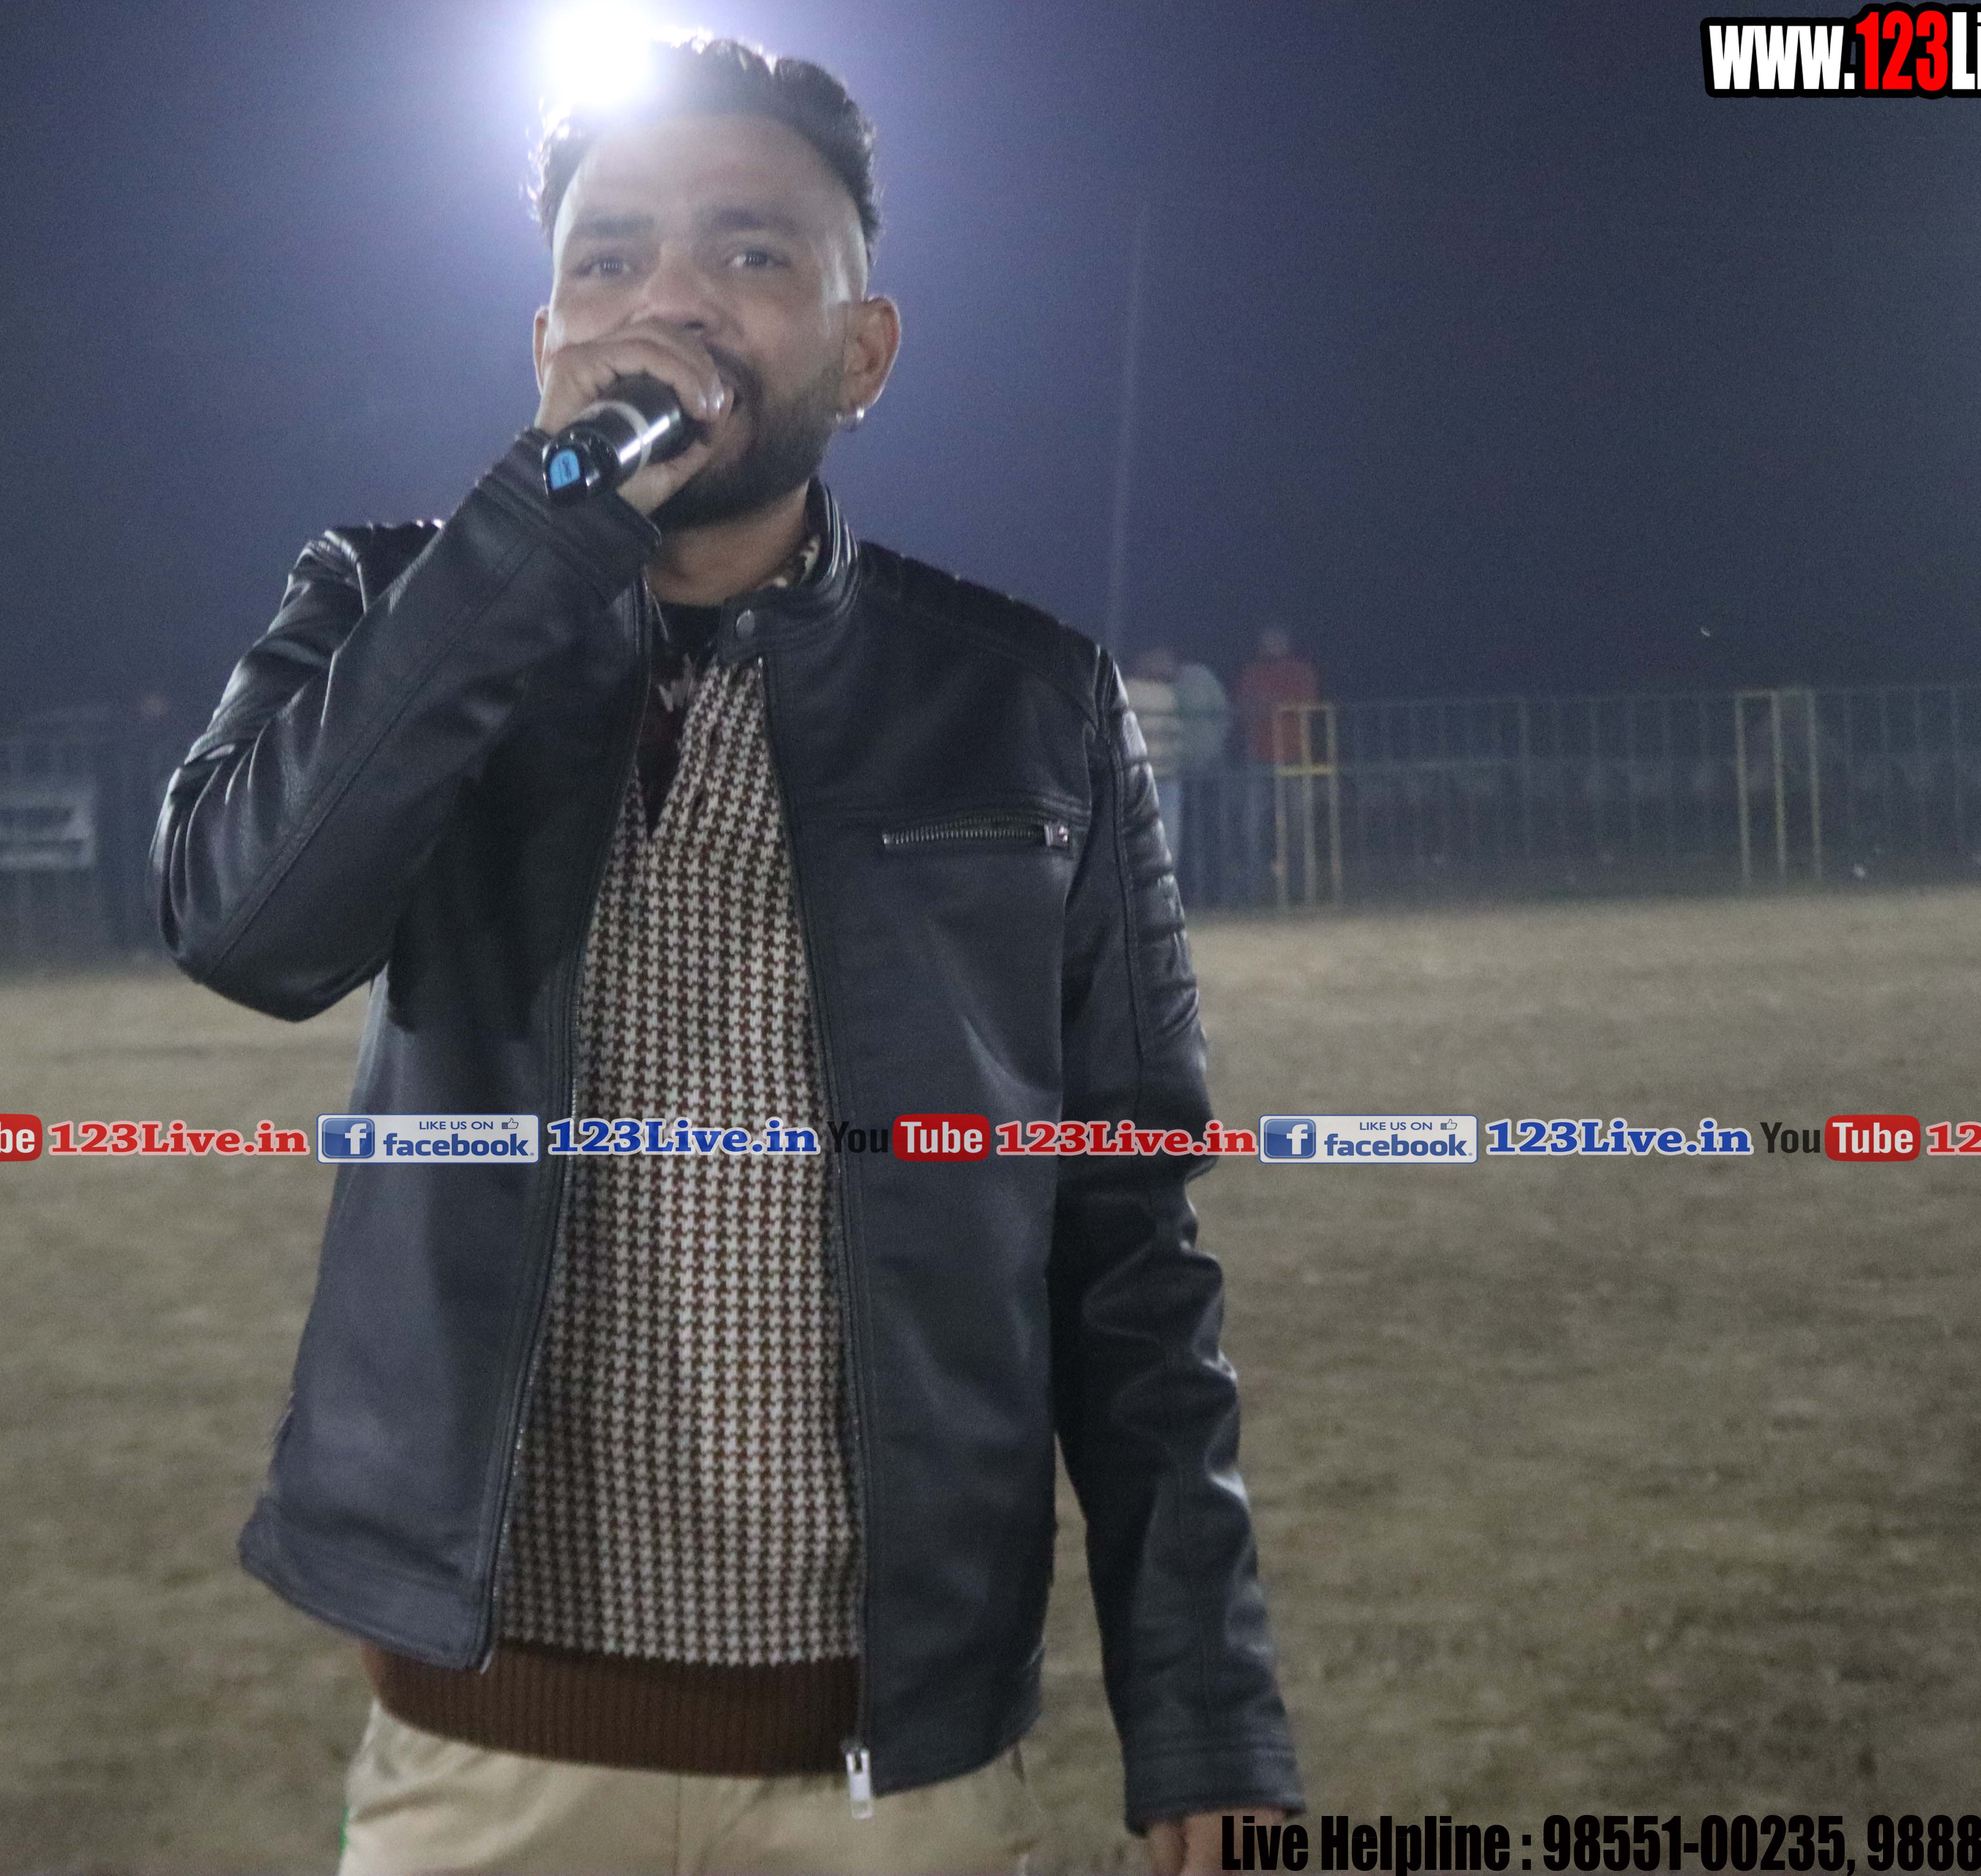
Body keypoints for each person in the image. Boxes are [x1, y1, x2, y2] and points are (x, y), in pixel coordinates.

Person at [157, 40, 1298, 1876]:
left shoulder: (1026, 701)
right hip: (484, 1763)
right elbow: (249, 927)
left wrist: (1207, 1710)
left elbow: (1130, 1250)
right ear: (547, 339)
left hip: (893, 1778)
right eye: (609, 257)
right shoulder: (391, 607)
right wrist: (537, 528)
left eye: (752, 251)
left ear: (866, 351)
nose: (669, 300)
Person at [1231, 626, 1323, 900]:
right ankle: (1254, 891)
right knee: (1252, 826)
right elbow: (1245, 707)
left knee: (1298, 827)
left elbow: (1306, 701)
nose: (1271, 645)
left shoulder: (1300, 671)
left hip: (1294, 756)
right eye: (1267, 640)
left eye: (1276, 640)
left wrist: (1268, 704)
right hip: (1260, 756)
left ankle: (1301, 890)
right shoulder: (1253, 673)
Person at [1126, 647, 1190, 858]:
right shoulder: (1166, 694)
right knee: (1166, 840)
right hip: (1162, 774)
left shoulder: (1126, 690)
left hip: (1141, 777)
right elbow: (1177, 734)